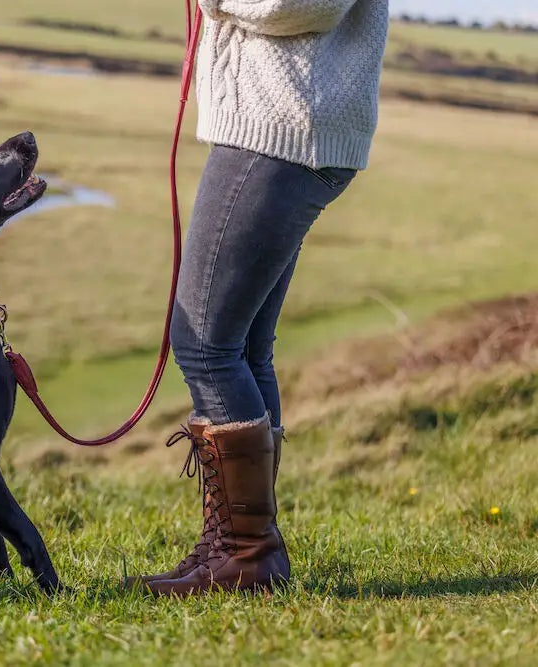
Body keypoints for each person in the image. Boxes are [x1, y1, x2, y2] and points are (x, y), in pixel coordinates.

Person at [126, 0, 389, 595]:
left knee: (206, 344)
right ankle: (238, 546)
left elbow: (301, 5)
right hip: (281, 128)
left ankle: (247, 554)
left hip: (283, 130)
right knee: (242, 346)